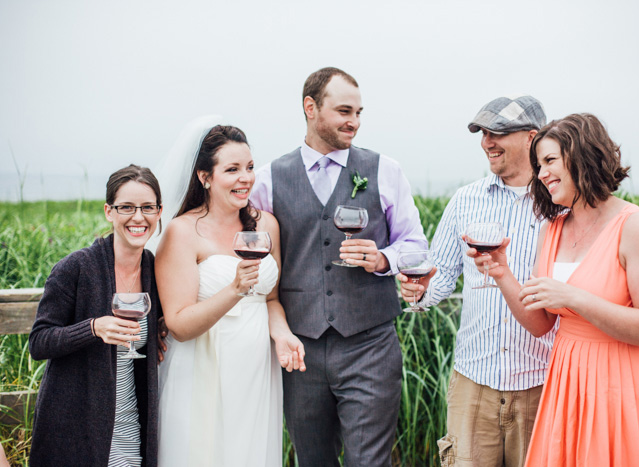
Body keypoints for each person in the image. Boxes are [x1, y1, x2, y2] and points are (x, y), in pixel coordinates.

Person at [470, 113, 639, 465]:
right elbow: (541, 324)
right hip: (569, 380)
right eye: (538, 163)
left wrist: (573, 297)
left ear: (583, 157)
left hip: (626, 383)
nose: (541, 173)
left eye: (549, 161)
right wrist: (503, 274)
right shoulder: (553, 229)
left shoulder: (638, 227)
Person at [250, 67, 427, 466]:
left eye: (360, 112)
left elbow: (415, 244)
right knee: (312, 461)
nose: (355, 122)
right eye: (344, 110)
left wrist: (384, 258)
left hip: (370, 345)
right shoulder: (268, 180)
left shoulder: (386, 170)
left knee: (370, 461)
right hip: (300, 349)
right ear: (310, 108)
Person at [398, 95, 556, 466]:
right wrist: (419, 293)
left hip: (542, 382)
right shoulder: (465, 200)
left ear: (532, 138)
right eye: (483, 132)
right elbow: (439, 278)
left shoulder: (560, 203)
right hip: (473, 383)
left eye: (498, 132)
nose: (487, 141)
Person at [154, 118, 305, 467]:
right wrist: (235, 289)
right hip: (202, 363)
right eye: (233, 169)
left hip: (255, 365)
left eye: (250, 167)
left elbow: (270, 299)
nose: (246, 178)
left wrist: (282, 336)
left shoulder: (266, 225)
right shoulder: (182, 232)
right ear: (205, 177)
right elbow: (177, 323)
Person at [28, 164, 163, 466]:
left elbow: (162, 322)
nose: (138, 217)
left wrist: (161, 331)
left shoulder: (155, 269)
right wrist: (92, 328)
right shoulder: (75, 268)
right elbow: (39, 342)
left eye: (147, 207)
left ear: (159, 212)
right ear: (108, 211)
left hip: (133, 424)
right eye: (126, 207)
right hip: (79, 426)